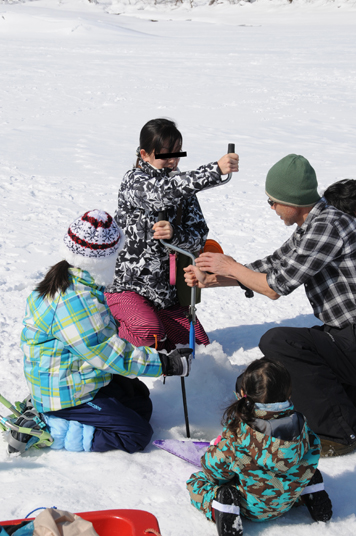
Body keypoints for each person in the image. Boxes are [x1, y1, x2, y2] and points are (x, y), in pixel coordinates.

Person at [184, 154, 356, 457]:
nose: (272, 209)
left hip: (349, 335)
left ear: (294, 200)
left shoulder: (328, 226)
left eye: (273, 202)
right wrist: (213, 278)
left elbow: (276, 286)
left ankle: (339, 434)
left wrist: (229, 266)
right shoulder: (315, 223)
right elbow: (272, 265)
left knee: (280, 341)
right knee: (275, 364)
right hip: (342, 334)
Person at [20, 209, 192, 454]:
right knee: (136, 434)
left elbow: (102, 343)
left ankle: (66, 416)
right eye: (117, 254)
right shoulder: (73, 301)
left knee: (139, 399)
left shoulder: (77, 280)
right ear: (103, 260)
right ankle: (48, 428)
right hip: (65, 392)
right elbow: (107, 353)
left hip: (78, 375)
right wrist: (165, 364)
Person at [105, 118, 239, 352]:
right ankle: (113, 329)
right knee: (148, 332)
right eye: (165, 155)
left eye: (177, 154)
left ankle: (155, 333)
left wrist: (175, 235)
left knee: (198, 346)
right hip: (127, 287)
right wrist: (215, 170)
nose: (172, 161)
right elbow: (161, 193)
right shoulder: (133, 181)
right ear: (145, 154)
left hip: (166, 293)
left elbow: (199, 236)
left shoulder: (184, 189)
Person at [186, 358, 332, 536]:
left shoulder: (238, 435)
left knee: (197, 482)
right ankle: (309, 487)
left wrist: (218, 451)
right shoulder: (302, 426)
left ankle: (225, 507)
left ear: (242, 392)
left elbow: (213, 471)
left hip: (253, 508)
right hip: (288, 498)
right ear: (289, 395)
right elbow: (314, 450)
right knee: (299, 473)